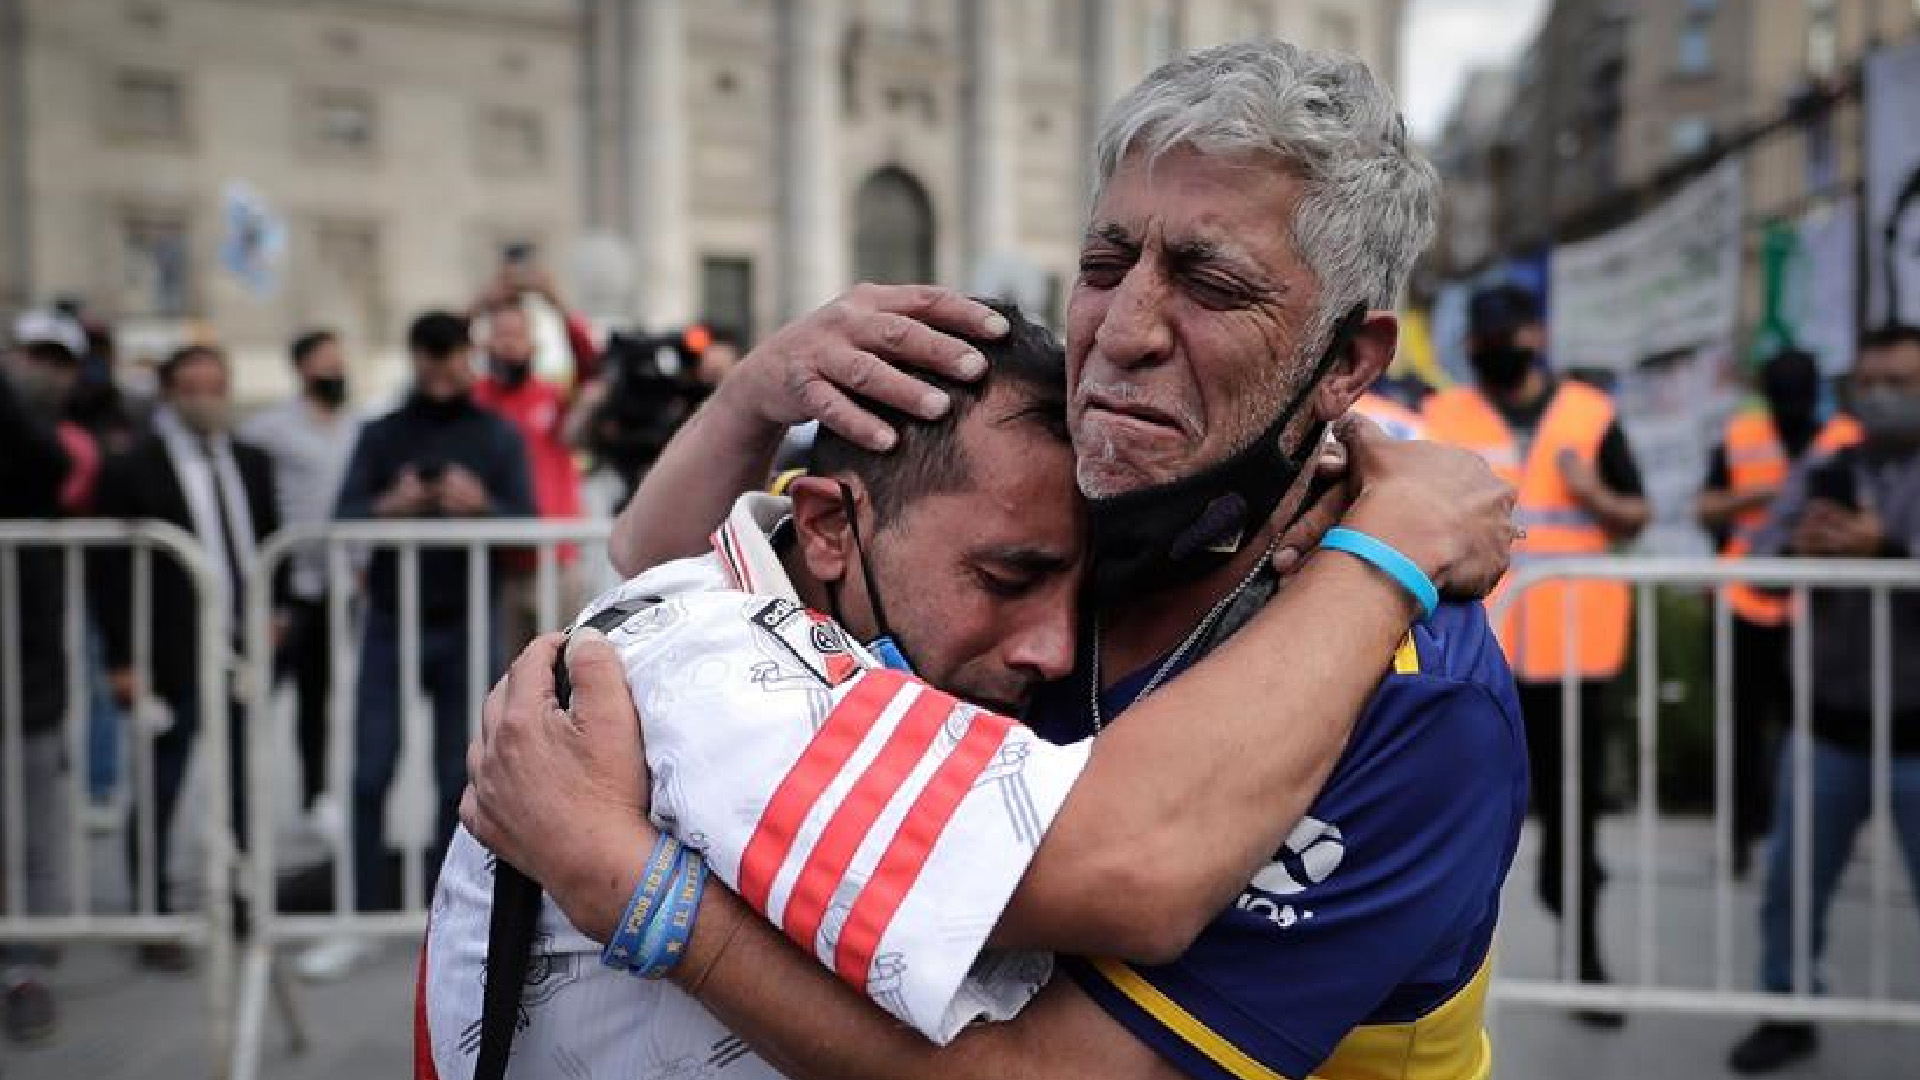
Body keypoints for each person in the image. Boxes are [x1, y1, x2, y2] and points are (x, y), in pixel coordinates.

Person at [466, 42, 1531, 1080]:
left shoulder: (1426, 704)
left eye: (1210, 285)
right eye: (1105, 266)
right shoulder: (1052, 512)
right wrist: (759, 390)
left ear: (1348, 361)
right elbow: (687, 582)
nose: (1123, 331)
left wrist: (639, 893)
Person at [1423, 283, 1650, 1021]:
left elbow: (1635, 514)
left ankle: (1583, 959)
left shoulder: (1590, 414)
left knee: (1576, 817)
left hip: (1575, 650)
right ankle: (1428, 979)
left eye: (1504, 337)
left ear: (1535, 334)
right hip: (1472, 655)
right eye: (1482, 342)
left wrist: (1592, 494)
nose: (1494, 352)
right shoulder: (1446, 414)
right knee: (1452, 812)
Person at [307, 311, 534, 980]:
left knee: (454, 779)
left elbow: (526, 520)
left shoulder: (497, 434)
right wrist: (390, 507)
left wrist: (479, 507)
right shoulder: (382, 433)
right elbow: (345, 514)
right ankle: (359, 914)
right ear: (413, 356)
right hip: (390, 620)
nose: (439, 365)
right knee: (368, 771)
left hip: (467, 618)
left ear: (467, 355)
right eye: (428, 352)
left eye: (450, 352)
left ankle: (448, 921)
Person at [1726, 324, 1920, 1074]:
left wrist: (1886, 554)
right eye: (1870, 382)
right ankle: (1788, 1009)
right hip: (1828, 725)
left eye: (1902, 383)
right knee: (1790, 886)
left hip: (1916, 732)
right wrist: (1800, 550)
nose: (1882, 397)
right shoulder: (1828, 467)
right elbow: (1761, 566)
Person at [92, 344, 280, 972]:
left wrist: (274, 616)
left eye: (215, 385)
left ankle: (245, 900)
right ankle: (154, 916)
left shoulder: (252, 462)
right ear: (170, 394)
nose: (206, 398)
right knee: (162, 785)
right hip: (167, 654)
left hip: (238, 649)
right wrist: (121, 659)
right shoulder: (131, 470)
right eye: (192, 386)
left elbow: (269, 542)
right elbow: (108, 575)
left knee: (243, 785)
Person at [1697, 348, 1861, 876]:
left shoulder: (1845, 440)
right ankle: (1741, 837)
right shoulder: (1742, 436)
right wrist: (1769, 494)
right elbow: (1707, 508)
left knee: (1814, 730)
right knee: (1743, 728)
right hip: (1746, 602)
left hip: (1823, 610)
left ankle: (1808, 834)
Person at [0, 313, 88, 1043]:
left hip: (23, 654)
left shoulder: (43, 441)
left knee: (29, 808)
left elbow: (46, 462)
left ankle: (22, 964)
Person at [237, 330, 361, 837]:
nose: (335, 371)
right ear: (302, 368)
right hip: (284, 584)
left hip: (334, 585)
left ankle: (317, 794)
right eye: (325, 363)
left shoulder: (355, 426)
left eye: (340, 361)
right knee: (253, 693)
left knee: (319, 695)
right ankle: (238, 802)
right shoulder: (267, 429)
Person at [470, 283, 596, 654]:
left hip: (553, 559)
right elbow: (439, 349)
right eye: (500, 335)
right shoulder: (477, 400)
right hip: (497, 560)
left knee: (555, 669)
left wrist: (556, 301)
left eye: (517, 334)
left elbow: (589, 363)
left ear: (535, 344)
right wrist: (482, 302)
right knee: (503, 676)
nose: (508, 344)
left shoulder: (553, 397)